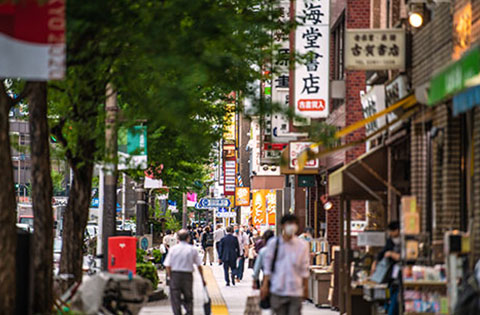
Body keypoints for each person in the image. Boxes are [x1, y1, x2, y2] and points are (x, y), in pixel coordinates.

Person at [261, 214, 309, 315]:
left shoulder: (302, 245)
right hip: (277, 288)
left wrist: (305, 288)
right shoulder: (273, 244)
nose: (292, 226)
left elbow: (304, 268)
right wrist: (265, 285)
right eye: (289, 223)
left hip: (295, 290)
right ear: (282, 226)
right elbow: (268, 267)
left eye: (294, 224)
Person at [164, 229, 206, 315]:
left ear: (178, 239)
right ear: (188, 238)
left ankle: (177, 313)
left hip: (175, 275)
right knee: (188, 296)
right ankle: (189, 312)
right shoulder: (192, 249)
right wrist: (202, 278)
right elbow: (199, 265)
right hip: (187, 275)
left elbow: (167, 265)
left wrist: (170, 276)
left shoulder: (173, 249)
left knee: (175, 297)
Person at [371, 221, 401, 315]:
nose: (390, 233)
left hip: (401, 273)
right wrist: (375, 262)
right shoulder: (390, 241)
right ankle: (388, 308)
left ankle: (391, 312)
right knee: (390, 292)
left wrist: (393, 254)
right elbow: (383, 252)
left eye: (391, 231)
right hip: (391, 273)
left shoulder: (405, 241)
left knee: (396, 296)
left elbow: (405, 256)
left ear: (397, 230)